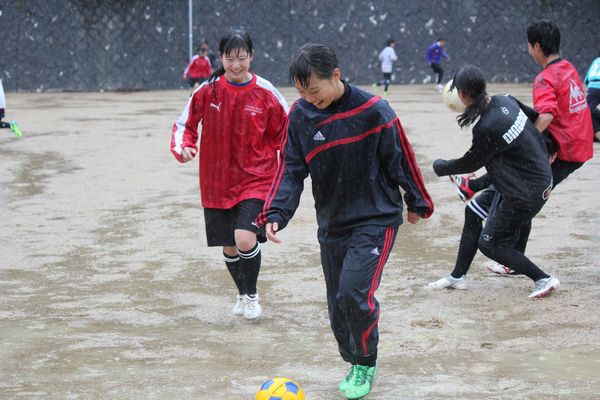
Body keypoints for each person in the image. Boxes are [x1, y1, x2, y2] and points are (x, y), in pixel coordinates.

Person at [256, 43, 434, 399]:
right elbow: (290, 169)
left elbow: (401, 158)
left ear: (335, 75)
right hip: (333, 223)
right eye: (302, 91)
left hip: (376, 218)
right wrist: (275, 212)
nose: (309, 98)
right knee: (338, 306)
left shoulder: (374, 110)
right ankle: (354, 358)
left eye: (314, 90)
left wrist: (418, 200)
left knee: (355, 292)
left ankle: (366, 363)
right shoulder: (302, 116)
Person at [446, 21, 594, 276]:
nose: (527, 48)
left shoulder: (545, 78)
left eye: (528, 44)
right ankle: (474, 189)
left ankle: (510, 254)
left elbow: (546, 115)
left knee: (519, 187)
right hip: (579, 143)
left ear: (537, 46)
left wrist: (525, 142)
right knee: (517, 186)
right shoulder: (567, 67)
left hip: (564, 150)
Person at [170, 31, 288, 320]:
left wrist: (291, 168)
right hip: (217, 181)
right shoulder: (207, 90)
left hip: (256, 178)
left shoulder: (266, 91)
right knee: (229, 245)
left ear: (251, 57)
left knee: (245, 238)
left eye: (242, 58)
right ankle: (241, 292)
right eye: (230, 58)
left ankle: (252, 296)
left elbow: (288, 131)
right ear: (221, 58)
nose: (236, 65)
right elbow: (184, 125)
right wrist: (185, 146)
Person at [430, 65, 558, 299]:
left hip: (525, 191)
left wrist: (441, 166)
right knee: (473, 212)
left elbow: (470, 163)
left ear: (462, 95)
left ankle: (543, 278)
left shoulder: (486, 126)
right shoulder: (505, 100)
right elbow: (535, 120)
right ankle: (458, 276)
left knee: (489, 244)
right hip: (529, 178)